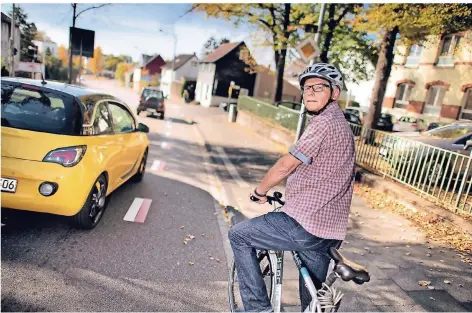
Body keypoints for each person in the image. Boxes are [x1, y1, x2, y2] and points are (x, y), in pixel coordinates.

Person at [227, 63, 356, 312]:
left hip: (304, 224)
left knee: (239, 235)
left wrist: (259, 191)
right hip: (329, 232)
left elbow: (285, 166)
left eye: (319, 87)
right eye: (307, 88)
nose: (310, 93)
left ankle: (257, 309)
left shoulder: (324, 123)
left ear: (335, 93)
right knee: (313, 303)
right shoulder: (343, 126)